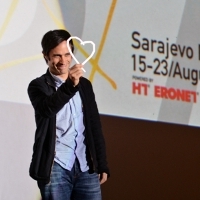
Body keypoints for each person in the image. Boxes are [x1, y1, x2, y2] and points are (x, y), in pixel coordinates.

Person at [27, 29, 110, 200]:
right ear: (46, 56)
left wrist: (102, 164)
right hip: (55, 166)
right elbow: (47, 109)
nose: (63, 60)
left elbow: (94, 126)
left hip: (86, 166)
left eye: (67, 54)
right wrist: (70, 86)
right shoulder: (38, 86)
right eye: (57, 55)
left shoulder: (85, 85)